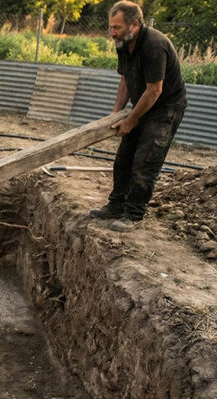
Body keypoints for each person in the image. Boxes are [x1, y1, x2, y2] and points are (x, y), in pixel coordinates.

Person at [90, 1, 187, 232]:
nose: (112, 32)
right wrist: (116, 113)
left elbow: (155, 90)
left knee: (145, 161)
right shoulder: (123, 43)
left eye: (117, 27)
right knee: (124, 158)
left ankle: (133, 214)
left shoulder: (154, 45)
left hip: (165, 109)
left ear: (134, 25)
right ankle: (116, 205)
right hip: (143, 104)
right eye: (111, 27)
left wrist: (132, 120)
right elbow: (125, 79)